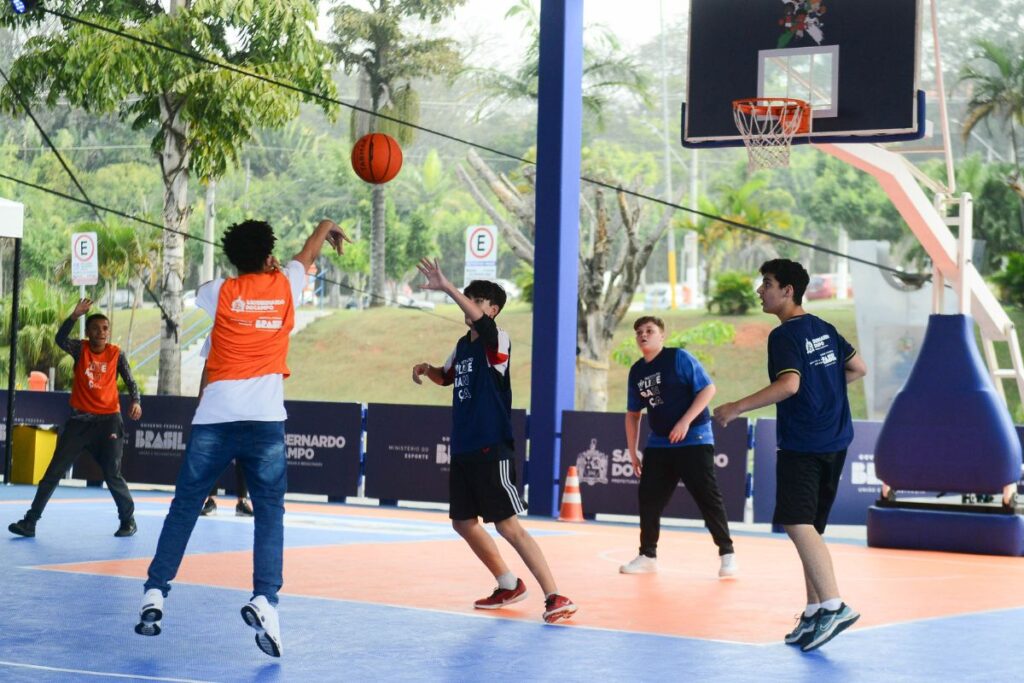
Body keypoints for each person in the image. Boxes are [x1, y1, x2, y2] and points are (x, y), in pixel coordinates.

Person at [135, 218, 348, 657]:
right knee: (269, 512)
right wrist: (326, 226)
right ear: (270, 254)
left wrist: (251, 270)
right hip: (265, 420)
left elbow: (203, 290)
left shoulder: (219, 292)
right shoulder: (287, 284)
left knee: (185, 506)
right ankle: (265, 598)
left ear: (234, 256)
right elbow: (307, 253)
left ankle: (155, 591)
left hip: (215, 417)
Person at [411, 258, 577, 624]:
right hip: (465, 447)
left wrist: (448, 286)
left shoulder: (496, 341)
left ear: (492, 309)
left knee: (506, 524)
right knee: (464, 522)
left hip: (491, 446)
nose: (467, 305)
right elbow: (447, 376)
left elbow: (482, 323)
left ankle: (555, 594)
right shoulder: (462, 346)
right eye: (467, 298)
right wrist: (427, 368)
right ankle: (507, 582)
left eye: (475, 300)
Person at [713, 259, 867, 653]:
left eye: (766, 283)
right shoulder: (825, 328)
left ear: (788, 291)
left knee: (797, 524)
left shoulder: (784, 336)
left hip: (804, 443)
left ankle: (834, 605)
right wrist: (825, 389)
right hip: (836, 440)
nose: (759, 290)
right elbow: (857, 368)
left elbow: (789, 385)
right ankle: (815, 611)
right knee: (809, 531)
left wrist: (735, 407)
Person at [8, 299, 142, 538]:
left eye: (105, 328)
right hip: (79, 423)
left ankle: (128, 521)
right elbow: (59, 340)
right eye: (95, 329)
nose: (101, 332)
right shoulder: (81, 349)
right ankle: (30, 522)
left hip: (108, 421)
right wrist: (74, 316)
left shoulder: (115, 354)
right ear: (88, 332)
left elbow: (130, 380)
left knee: (112, 474)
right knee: (53, 472)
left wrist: (136, 401)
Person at [620, 316, 737, 578]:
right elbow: (632, 414)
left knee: (708, 497)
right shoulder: (637, 370)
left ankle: (727, 554)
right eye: (639, 332)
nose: (643, 335)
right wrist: (632, 451)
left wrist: (685, 422)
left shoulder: (678, 358)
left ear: (662, 336)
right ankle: (647, 555)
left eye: (650, 330)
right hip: (659, 442)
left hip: (695, 437)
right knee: (648, 498)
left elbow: (708, 389)